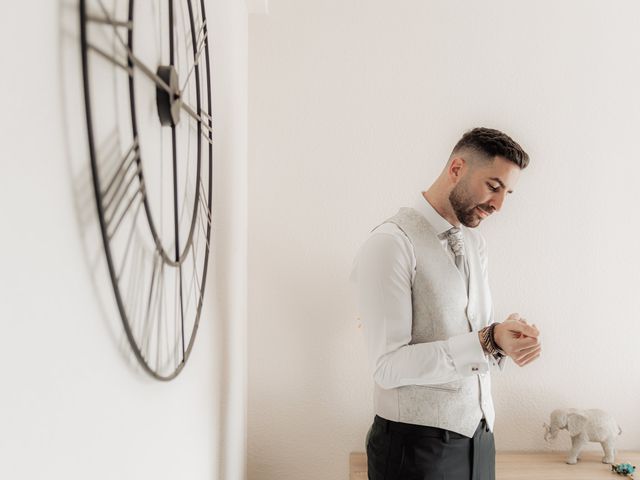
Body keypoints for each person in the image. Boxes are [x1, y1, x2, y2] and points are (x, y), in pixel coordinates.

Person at [350, 127, 542, 480]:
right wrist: (486, 341)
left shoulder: (474, 244)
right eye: (493, 186)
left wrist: (501, 341)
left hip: (481, 440)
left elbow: (474, 336)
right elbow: (387, 366)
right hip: (415, 449)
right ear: (456, 169)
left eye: (507, 193)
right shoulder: (390, 244)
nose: (499, 206)